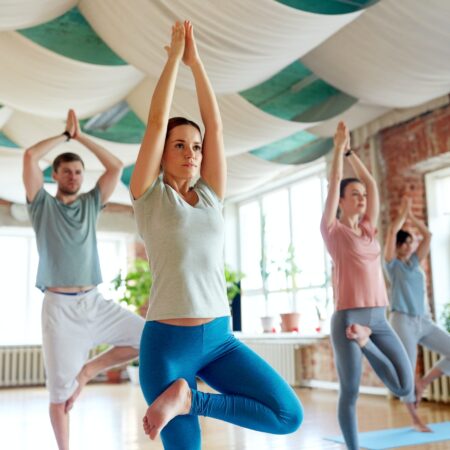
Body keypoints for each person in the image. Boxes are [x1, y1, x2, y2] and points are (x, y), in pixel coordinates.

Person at [130, 21, 303, 449]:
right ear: (162, 155)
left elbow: (216, 126)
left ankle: (190, 401)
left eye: (196, 147)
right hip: (167, 347)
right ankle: (181, 396)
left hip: (220, 340)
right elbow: (155, 121)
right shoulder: (147, 196)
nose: (191, 153)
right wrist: (174, 59)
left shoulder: (211, 196)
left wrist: (197, 61)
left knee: (287, 415)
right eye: (179, 145)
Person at [23, 109, 145, 450]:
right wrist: (64, 136)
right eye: (67, 171)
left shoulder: (92, 203)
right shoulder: (41, 206)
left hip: (95, 302)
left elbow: (116, 168)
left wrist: (81, 138)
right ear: (56, 174)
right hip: (59, 309)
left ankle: (89, 371)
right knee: (60, 394)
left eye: (78, 171)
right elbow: (31, 156)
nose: (74, 176)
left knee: (147, 338)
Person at [320, 121, 413, 450]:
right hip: (348, 319)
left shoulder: (370, 230)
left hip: (378, 320)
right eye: (353, 195)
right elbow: (333, 182)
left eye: (362, 196)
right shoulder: (334, 232)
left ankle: (365, 344)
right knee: (351, 392)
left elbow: (373, 184)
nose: (361, 199)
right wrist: (337, 153)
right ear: (341, 202)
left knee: (405, 387)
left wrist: (351, 153)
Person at [385, 195, 450, 432]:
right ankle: (415, 419)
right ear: (400, 246)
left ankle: (423, 383)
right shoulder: (393, 266)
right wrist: (402, 217)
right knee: (407, 368)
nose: (413, 246)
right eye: (409, 242)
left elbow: (429, 236)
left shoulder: (414, 263)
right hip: (402, 320)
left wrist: (411, 216)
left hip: (424, 321)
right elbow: (392, 232)